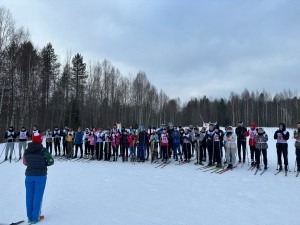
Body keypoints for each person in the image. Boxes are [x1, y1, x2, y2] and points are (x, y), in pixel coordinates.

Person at [23, 132, 54, 224]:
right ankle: (35, 218)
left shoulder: (27, 150)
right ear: (40, 140)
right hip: (40, 176)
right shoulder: (44, 150)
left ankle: (30, 217)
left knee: (29, 196)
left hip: (29, 176)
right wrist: (44, 163)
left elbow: (25, 162)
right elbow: (51, 161)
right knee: (38, 196)